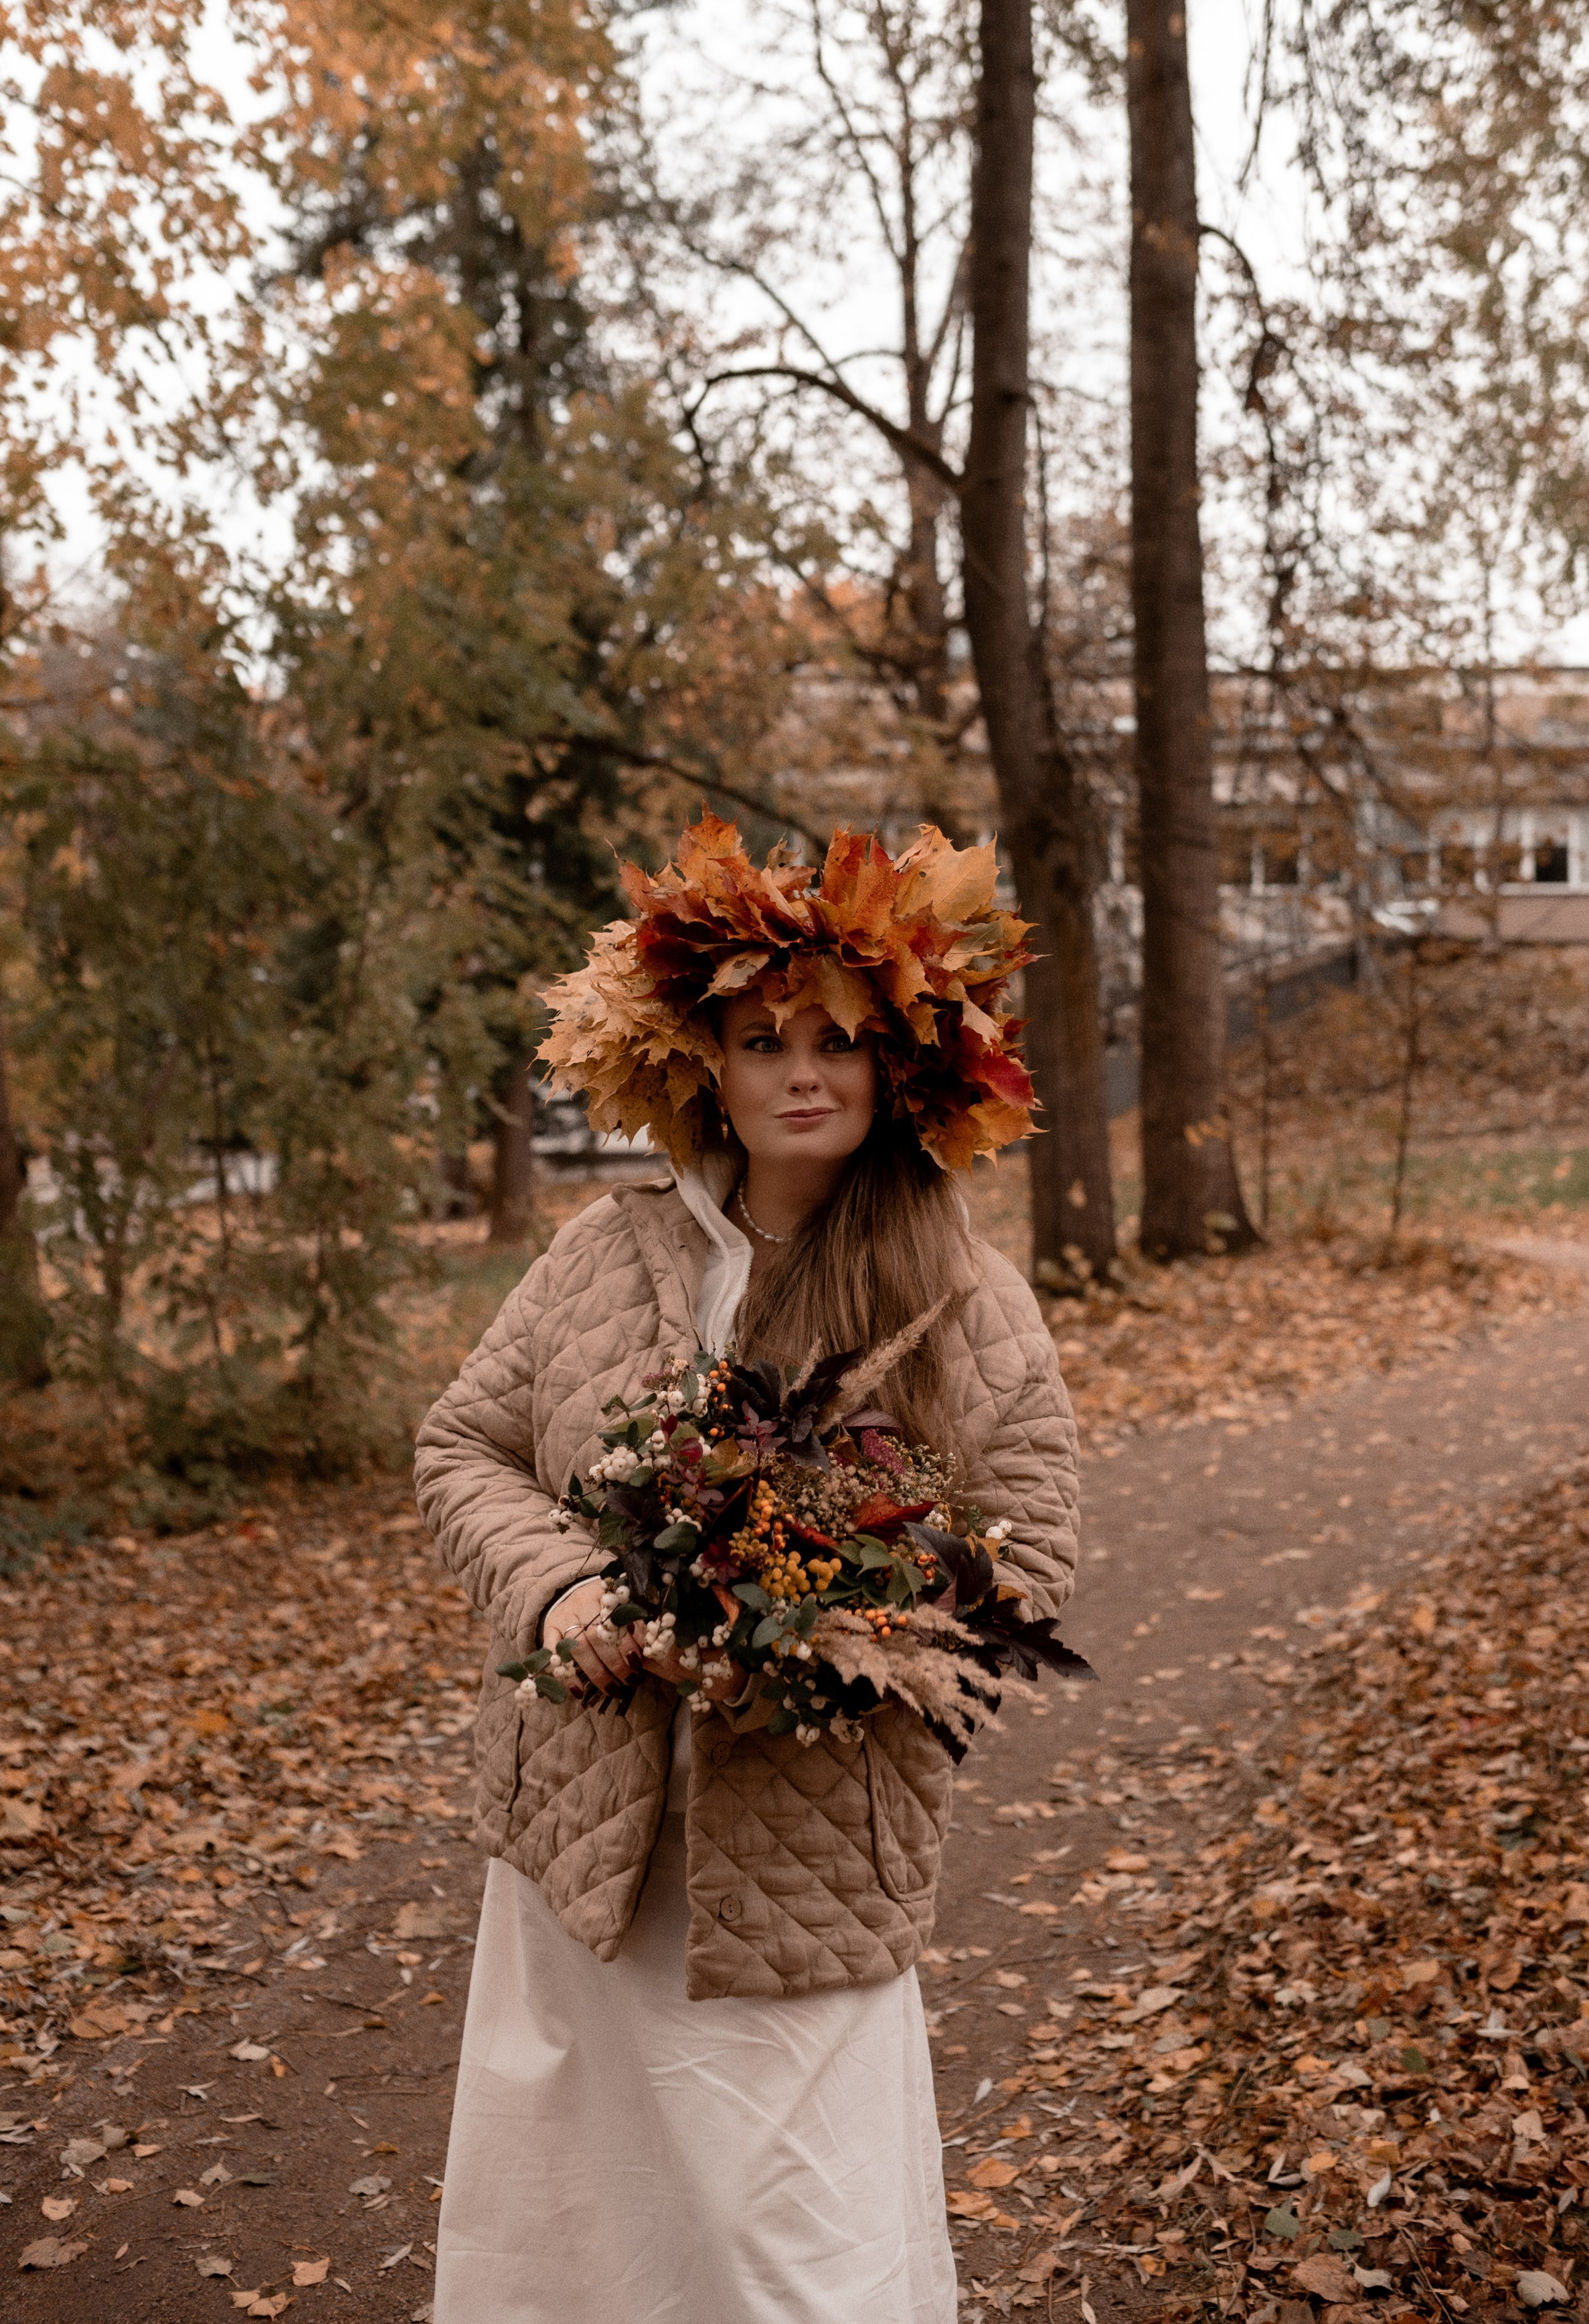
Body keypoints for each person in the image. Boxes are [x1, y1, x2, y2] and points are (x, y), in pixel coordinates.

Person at [417, 811, 1080, 2324]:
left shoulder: (964, 1297)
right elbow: (464, 1447)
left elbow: (1027, 1555)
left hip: (806, 1853)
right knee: (578, 2224)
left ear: (893, 1065)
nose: (800, 1071)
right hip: (585, 1828)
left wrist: (822, 1638)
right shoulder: (602, 1255)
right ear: (706, 1063)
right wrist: (562, 1591)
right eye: (763, 1039)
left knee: (792, 2245)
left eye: (836, 1040)